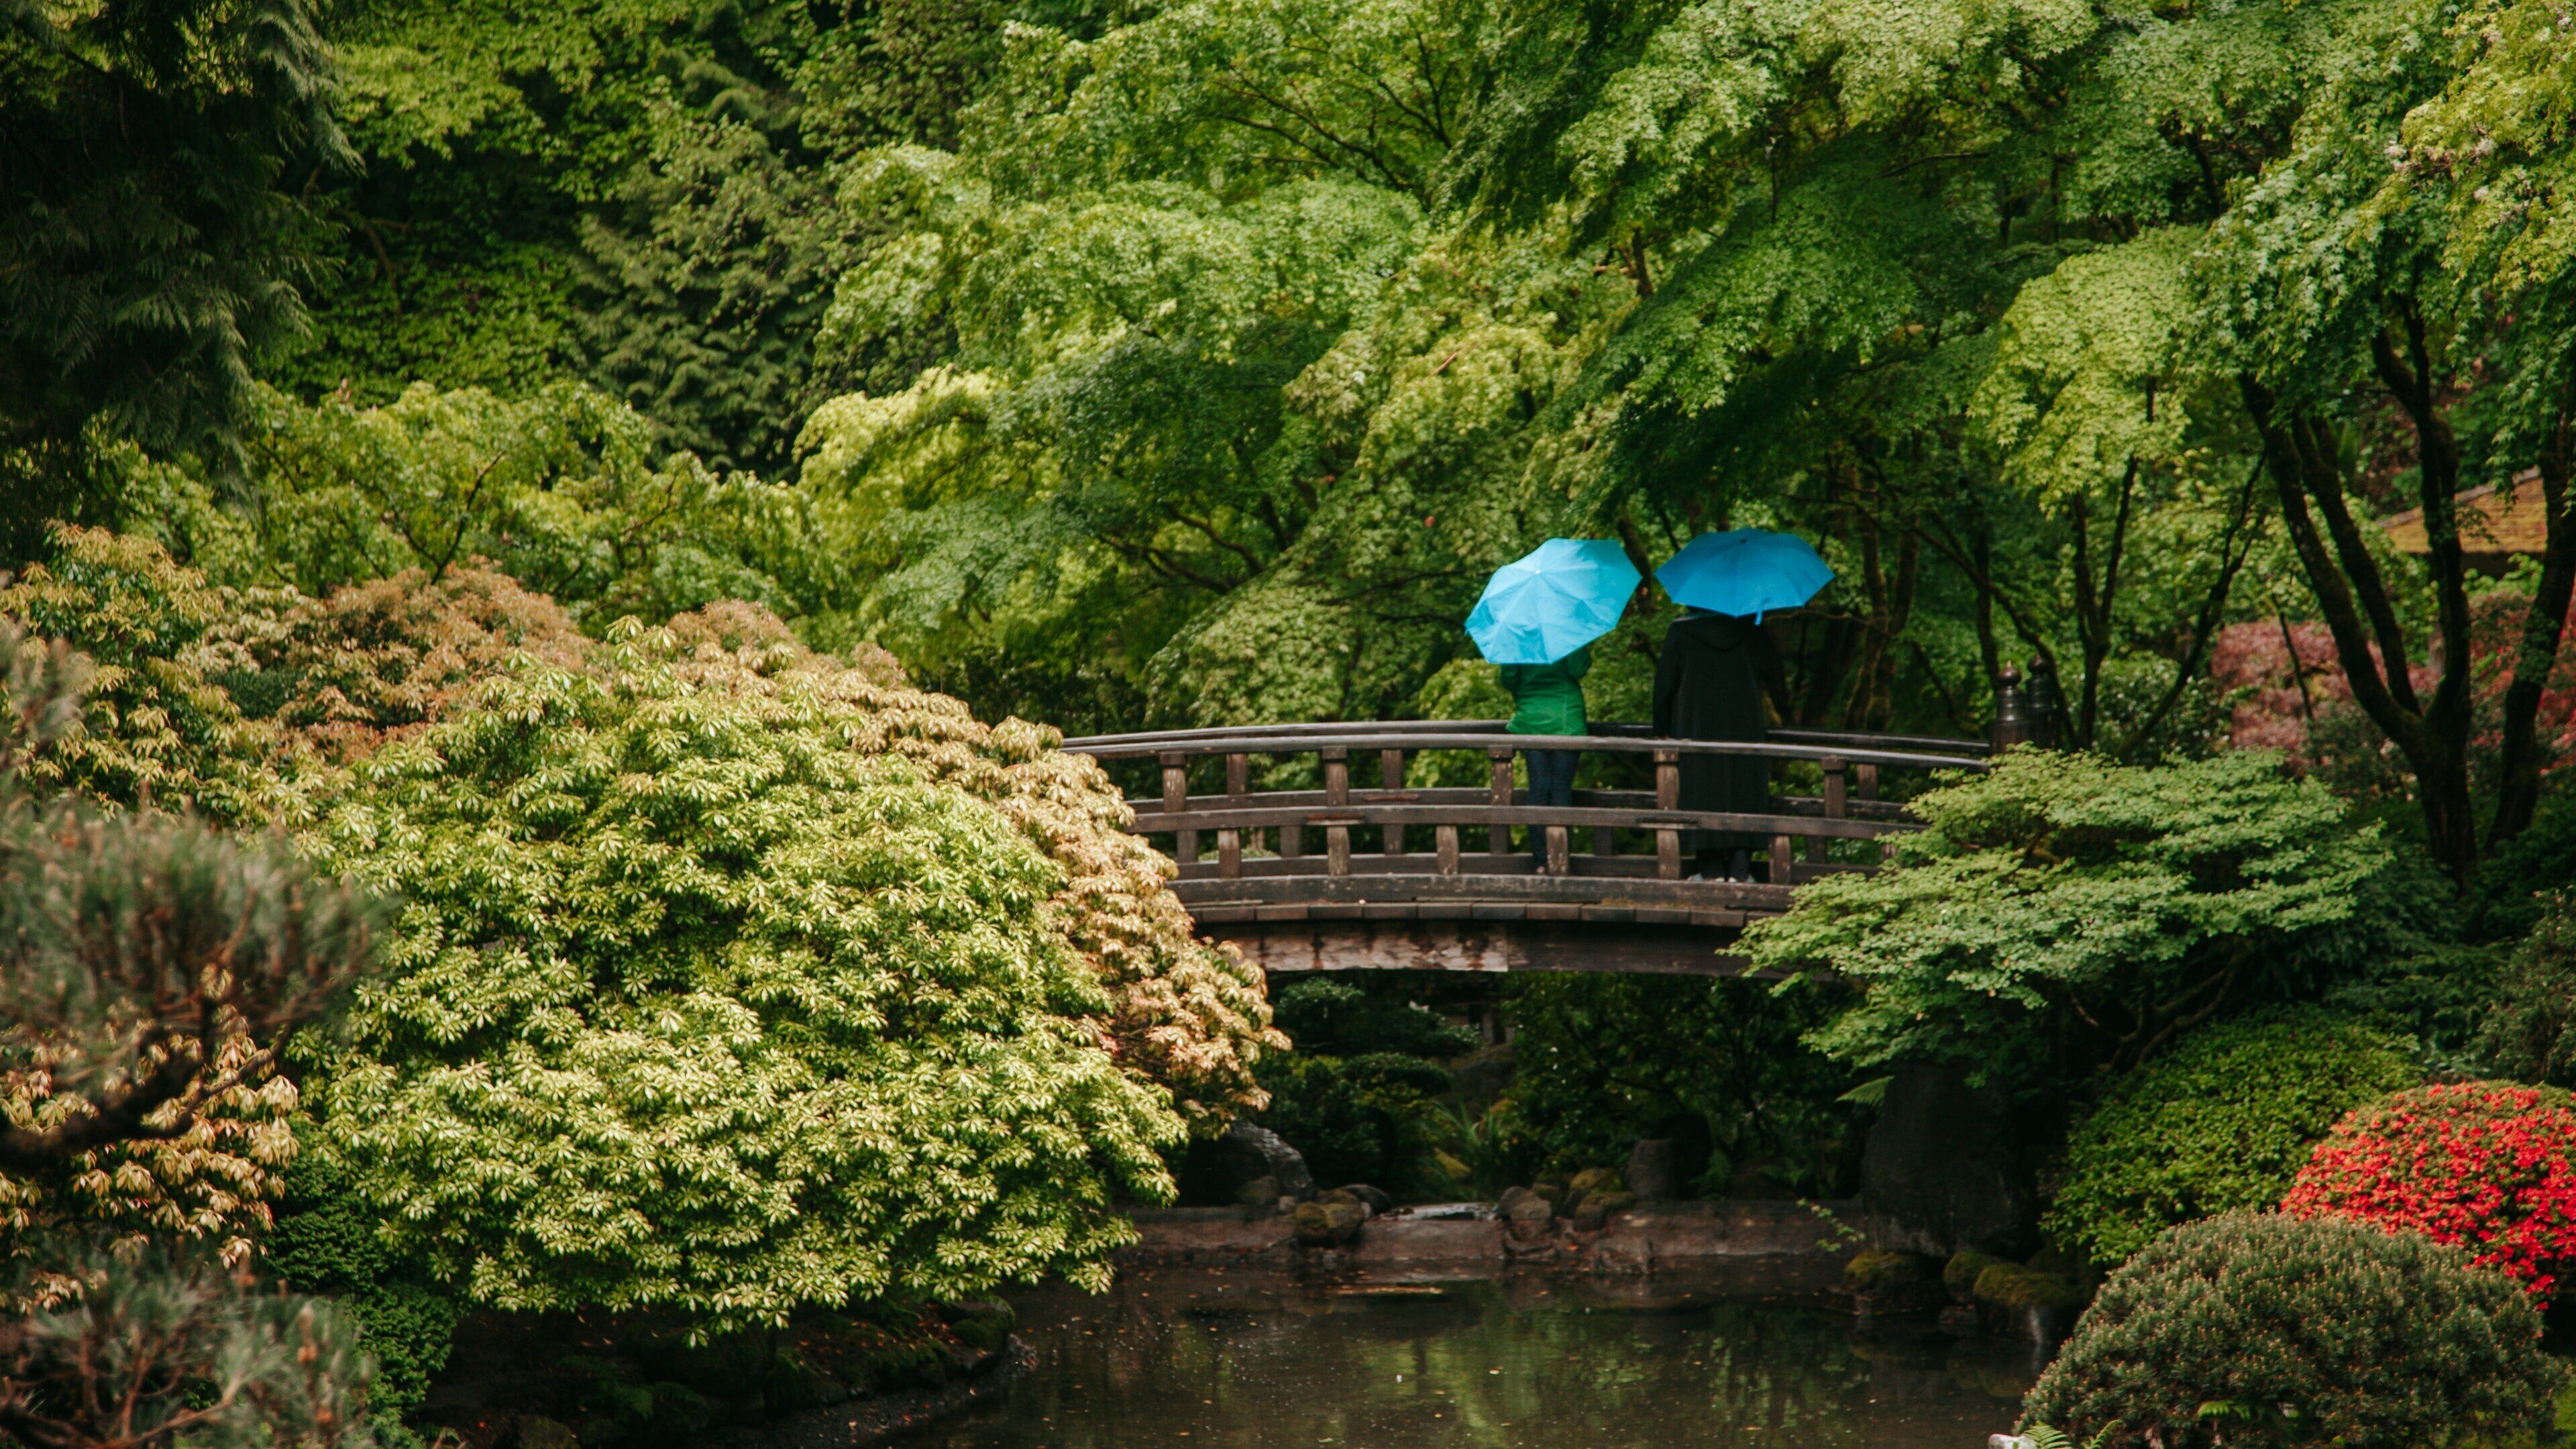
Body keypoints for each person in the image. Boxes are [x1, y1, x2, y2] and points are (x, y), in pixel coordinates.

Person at [1653, 608, 1782, 881]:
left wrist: (1662, 728)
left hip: (1695, 725)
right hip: (1744, 724)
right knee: (1744, 790)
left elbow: (1665, 684)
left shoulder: (1681, 632)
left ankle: (1710, 871)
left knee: (1701, 789)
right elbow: (1772, 671)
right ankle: (1740, 870)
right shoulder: (1752, 630)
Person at [1499, 644, 1590, 871]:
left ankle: (1541, 860)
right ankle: (1559, 858)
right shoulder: (1567, 632)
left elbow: (1509, 680)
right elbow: (1578, 669)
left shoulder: (1519, 635)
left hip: (1531, 719)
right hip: (1566, 719)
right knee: (1561, 790)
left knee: (1538, 789)